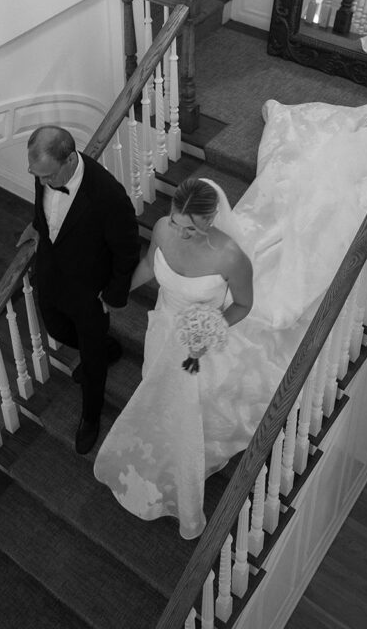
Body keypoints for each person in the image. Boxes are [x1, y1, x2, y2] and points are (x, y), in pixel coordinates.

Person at [93, 177, 291, 539]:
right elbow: (151, 267)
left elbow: (244, 305)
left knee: (192, 408)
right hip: (163, 330)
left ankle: (186, 461)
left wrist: (212, 326)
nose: (180, 234)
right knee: (157, 391)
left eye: (192, 229)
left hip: (201, 346)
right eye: (176, 222)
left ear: (212, 219)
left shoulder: (231, 257)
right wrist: (116, 295)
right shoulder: (163, 231)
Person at [18, 126, 140, 454]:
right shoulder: (45, 173)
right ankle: (107, 348)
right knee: (56, 327)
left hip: (90, 290)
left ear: (70, 159)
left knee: (92, 355)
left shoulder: (108, 196)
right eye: (37, 175)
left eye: (47, 176)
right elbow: (43, 204)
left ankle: (90, 416)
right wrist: (37, 226)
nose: (42, 182)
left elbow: (128, 248)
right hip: (51, 273)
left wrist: (113, 295)